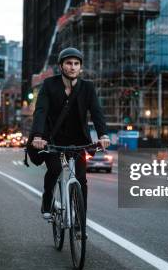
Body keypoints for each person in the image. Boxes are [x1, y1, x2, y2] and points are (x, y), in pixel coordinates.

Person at [31, 47, 110, 219]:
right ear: (61, 66)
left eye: (76, 63)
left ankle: (81, 221)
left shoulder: (87, 88)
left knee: (81, 179)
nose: (72, 67)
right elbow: (41, 111)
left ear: (80, 67)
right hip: (53, 139)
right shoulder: (49, 85)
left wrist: (103, 135)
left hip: (78, 140)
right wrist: (38, 136)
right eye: (68, 63)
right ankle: (47, 199)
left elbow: (97, 112)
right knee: (55, 169)